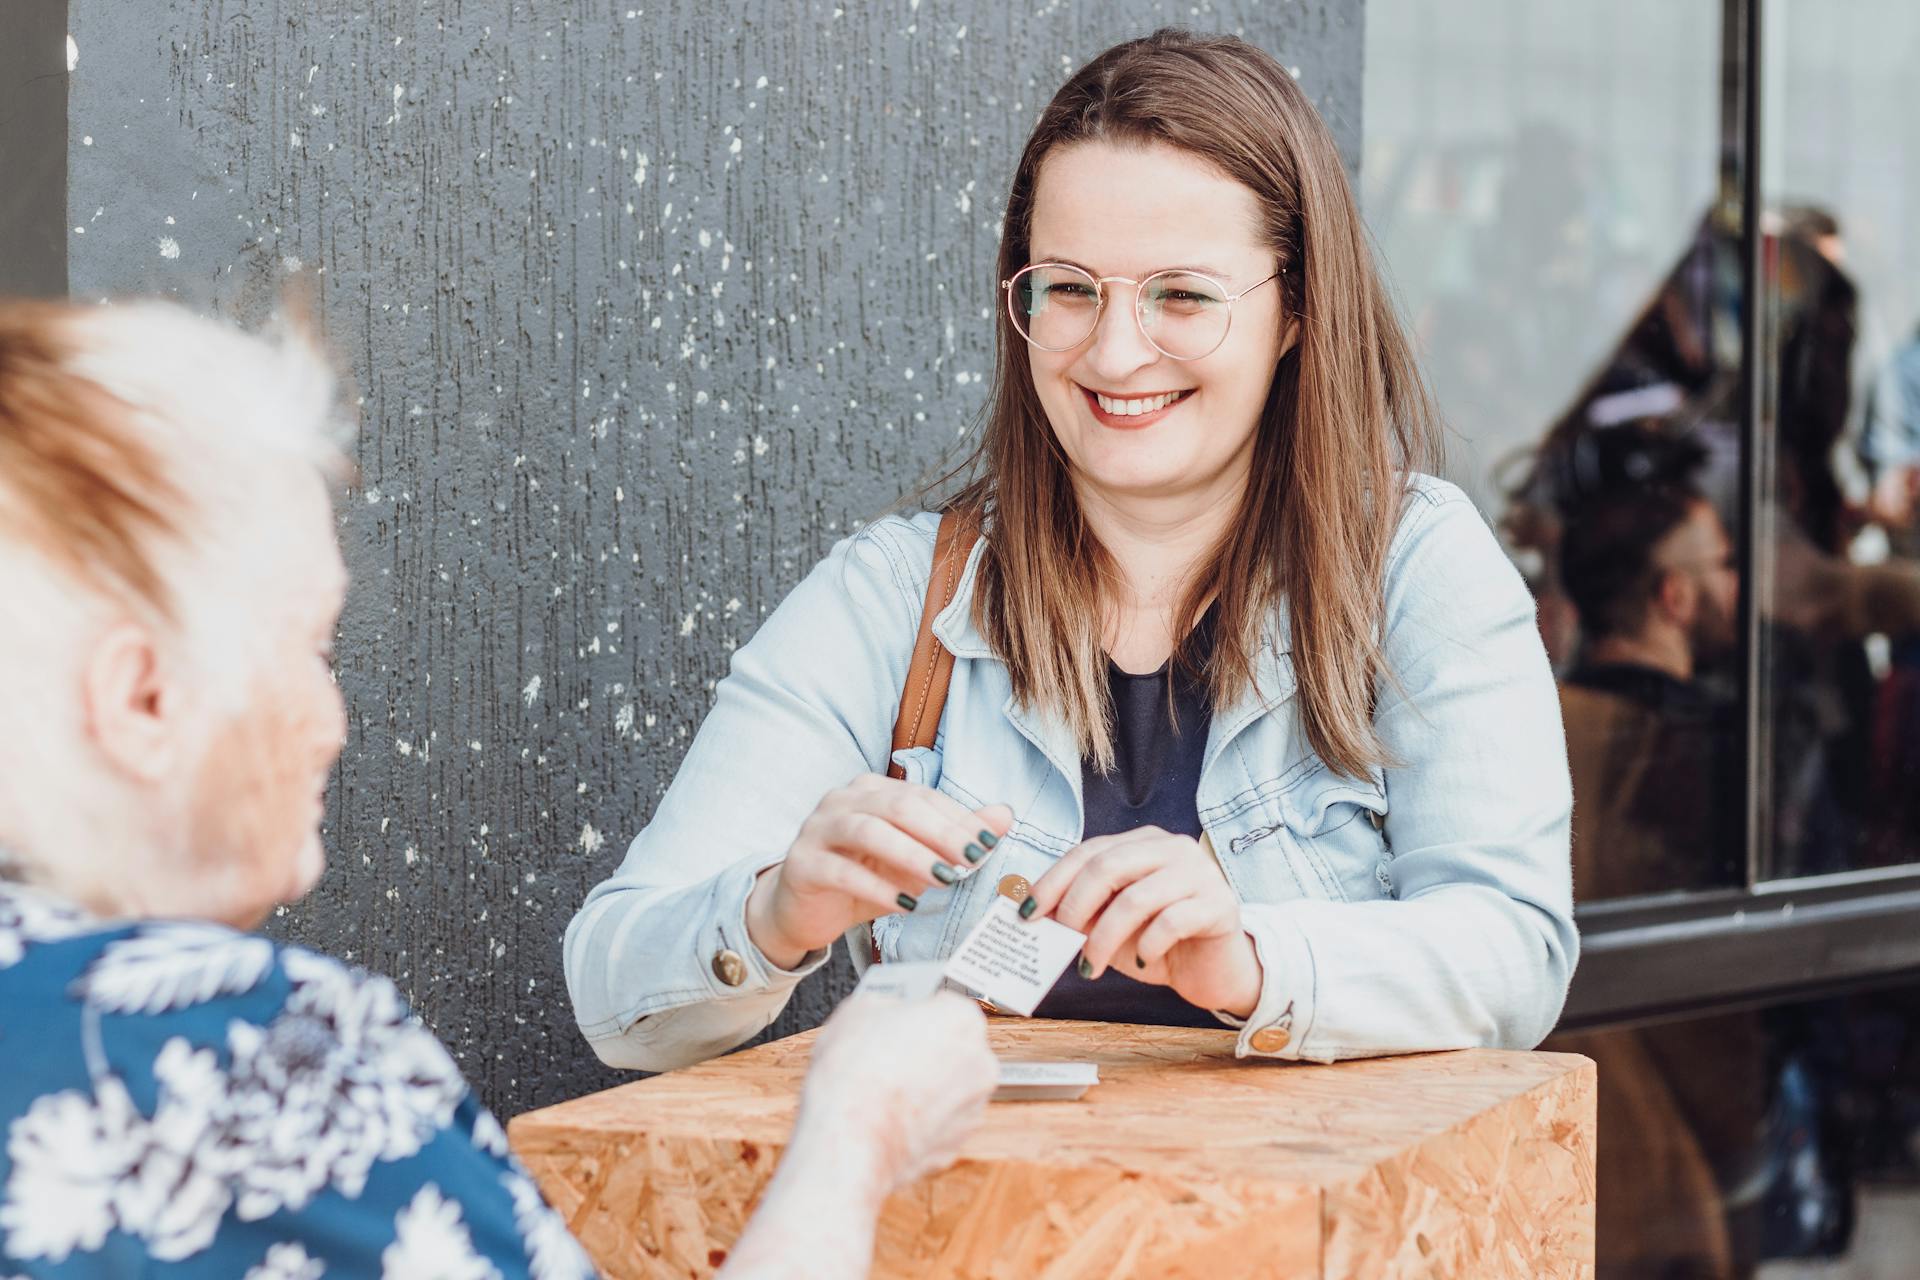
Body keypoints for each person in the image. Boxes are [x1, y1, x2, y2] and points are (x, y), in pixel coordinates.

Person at [566, 28, 1576, 1072]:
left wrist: (1255, 957)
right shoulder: (894, 597)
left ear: (1296, 312)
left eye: (1181, 294)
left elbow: (1516, 954)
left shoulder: (1414, 566)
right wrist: (770, 912)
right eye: (1070, 288)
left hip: (1313, 1232)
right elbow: (613, 995)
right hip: (969, 1229)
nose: (1115, 350)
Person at [0, 299, 996, 1278]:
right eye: (306, 648)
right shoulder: (259, 1051)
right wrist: (854, 1135)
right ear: (141, 697)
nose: (331, 723)